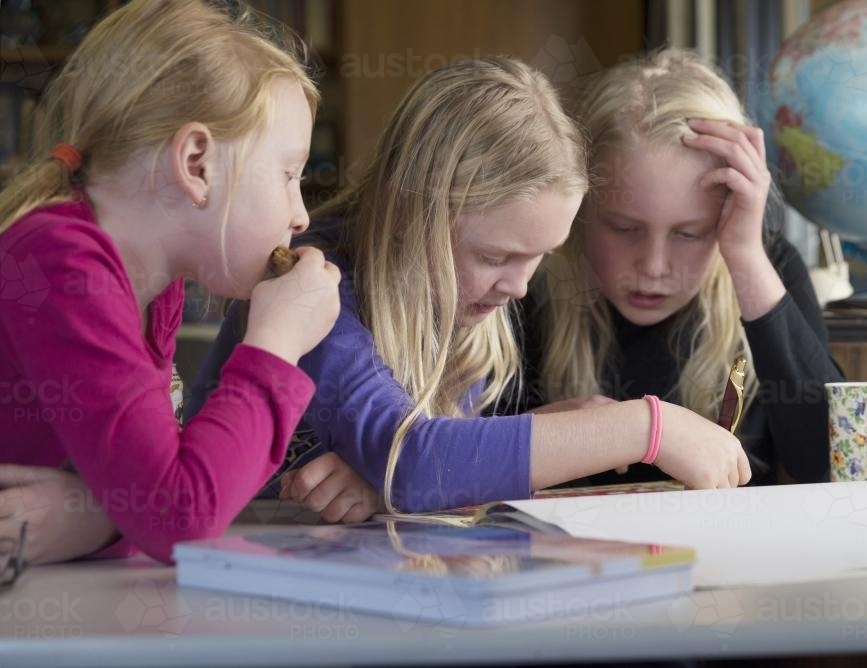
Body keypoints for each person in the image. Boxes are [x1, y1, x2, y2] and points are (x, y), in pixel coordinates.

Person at [186, 56, 751, 520]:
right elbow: (414, 460)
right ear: (416, 218)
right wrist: (647, 426)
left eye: (537, 259)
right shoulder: (315, 286)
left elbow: (422, 462)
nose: (519, 287)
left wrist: (385, 475)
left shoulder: (460, 293)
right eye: (496, 256)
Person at [0, 0, 343, 564]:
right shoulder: (60, 263)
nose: (301, 215)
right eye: (287, 175)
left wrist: (96, 516)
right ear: (197, 163)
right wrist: (276, 344)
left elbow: (155, 490)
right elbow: (177, 516)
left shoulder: (153, 284)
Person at [509, 49, 844, 486]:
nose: (653, 266)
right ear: (581, 208)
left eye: (689, 233)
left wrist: (744, 253)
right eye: (625, 228)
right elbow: (456, 465)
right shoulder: (527, 283)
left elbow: (828, 462)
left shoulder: (766, 267)